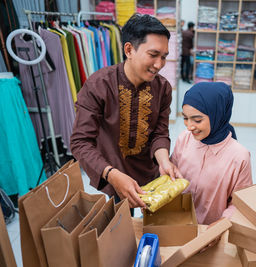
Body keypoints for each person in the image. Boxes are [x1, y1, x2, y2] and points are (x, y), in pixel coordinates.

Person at [70, 14, 182, 209]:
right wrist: (112, 175)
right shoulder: (99, 85)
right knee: (121, 230)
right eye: (153, 54)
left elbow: (160, 132)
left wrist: (164, 161)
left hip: (151, 172)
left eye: (164, 57)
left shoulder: (163, 88)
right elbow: (81, 142)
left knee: (152, 231)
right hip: (113, 172)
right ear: (129, 50)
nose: (159, 64)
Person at [171, 82, 253, 225]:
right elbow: (170, 176)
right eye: (185, 118)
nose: (189, 127)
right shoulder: (184, 139)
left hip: (210, 231)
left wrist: (222, 222)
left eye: (197, 120)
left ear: (217, 114)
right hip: (177, 222)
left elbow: (239, 203)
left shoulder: (240, 157)